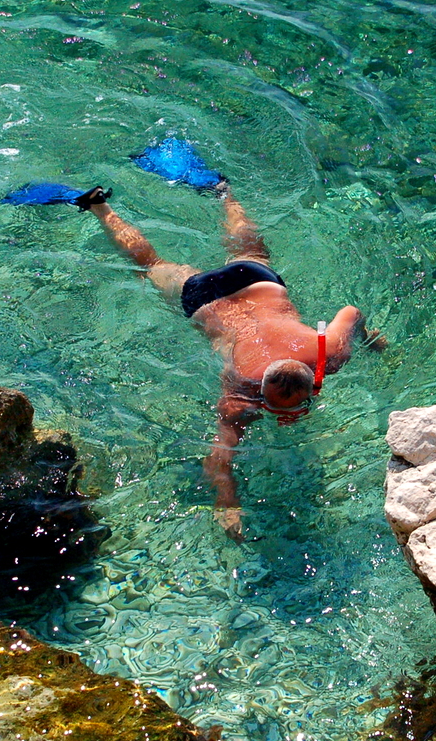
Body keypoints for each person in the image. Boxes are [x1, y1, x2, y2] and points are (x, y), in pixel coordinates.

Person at [59, 168, 384, 539]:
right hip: (204, 300)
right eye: (280, 409)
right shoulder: (243, 387)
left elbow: (353, 315)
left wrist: (368, 334)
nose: (289, 416)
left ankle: (200, 194)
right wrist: (226, 502)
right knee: (149, 267)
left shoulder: (331, 351)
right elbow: (217, 458)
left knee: (239, 253)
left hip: (253, 281)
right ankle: (108, 206)